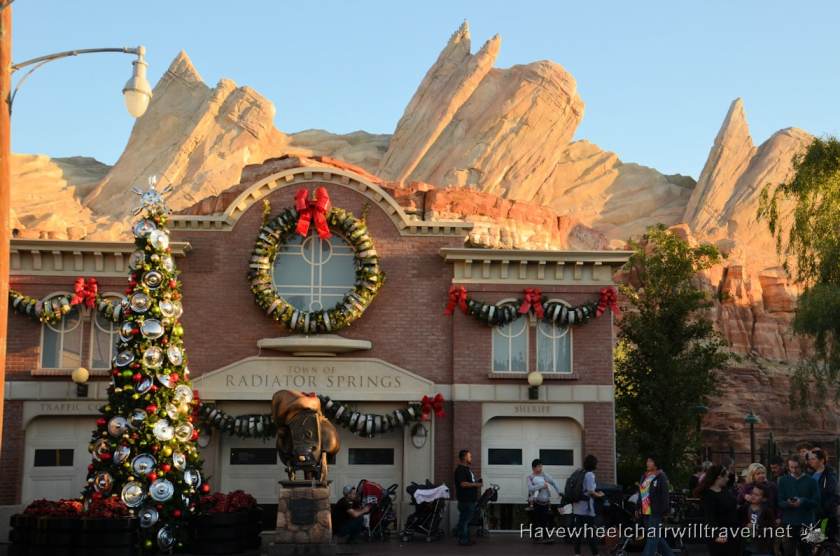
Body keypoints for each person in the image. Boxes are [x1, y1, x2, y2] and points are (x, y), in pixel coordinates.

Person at [778, 455, 820, 556]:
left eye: (796, 467)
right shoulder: (783, 480)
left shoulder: (812, 481)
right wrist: (788, 503)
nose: (793, 470)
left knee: (807, 552)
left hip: (807, 522)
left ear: (802, 466)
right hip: (788, 522)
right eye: (791, 467)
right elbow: (779, 501)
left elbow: (817, 502)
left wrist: (803, 501)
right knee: (788, 552)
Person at [695, 464, 741, 556]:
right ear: (719, 477)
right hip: (720, 533)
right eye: (726, 476)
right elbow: (710, 517)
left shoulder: (724, 490)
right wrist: (717, 533)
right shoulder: (708, 495)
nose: (727, 479)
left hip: (733, 532)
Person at [637, 456, 675, 556]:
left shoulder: (660, 476)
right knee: (656, 537)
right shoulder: (644, 476)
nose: (647, 463)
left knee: (652, 537)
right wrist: (638, 507)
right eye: (647, 461)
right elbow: (641, 493)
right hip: (645, 511)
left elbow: (665, 495)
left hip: (655, 511)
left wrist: (664, 510)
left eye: (650, 461)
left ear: (656, 463)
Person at [571, 454, 605, 556]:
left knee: (578, 533)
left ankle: (577, 553)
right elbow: (590, 491)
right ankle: (595, 554)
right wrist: (600, 495)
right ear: (593, 464)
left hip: (577, 507)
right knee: (590, 533)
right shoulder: (590, 475)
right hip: (586, 509)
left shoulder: (579, 472)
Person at [526, 458, 562, 543]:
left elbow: (553, 482)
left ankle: (545, 537)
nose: (541, 468)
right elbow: (531, 488)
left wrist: (559, 491)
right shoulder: (530, 477)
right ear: (533, 468)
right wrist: (542, 485)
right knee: (536, 520)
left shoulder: (544, 475)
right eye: (539, 467)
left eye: (541, 466)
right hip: (535, 502)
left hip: (545, 502)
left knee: (545, 520)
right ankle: (536, 537)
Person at [454, 449, 483, 546]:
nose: (471, 458)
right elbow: (463, 484)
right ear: (464, 457)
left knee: (465, 520)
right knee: (465, 521)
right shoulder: (460, 470)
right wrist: (476, 484)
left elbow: (469, 482)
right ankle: (463, 540)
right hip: (465, 500)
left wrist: (477, 482)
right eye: (469, 456)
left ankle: (465, 538)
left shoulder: (467, 469)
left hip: (469, 500)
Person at [809, 448, 838, 541]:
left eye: (813, 459)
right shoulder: (812, 474)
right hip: (814, 515)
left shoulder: (829, 475)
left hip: (824, 515)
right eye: (810, 459)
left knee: (822, 540)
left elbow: (833, 495)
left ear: (821, 460)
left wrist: (824, 509)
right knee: (814, 541)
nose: (810, 461)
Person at [740, 484, 776, 556]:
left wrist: (756, 527)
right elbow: (739, 522)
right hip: (746, 547)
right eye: (752, 493)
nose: (753, 496)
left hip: (762, 548)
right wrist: (745, 526)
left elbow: (771, 529)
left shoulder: (767, 511)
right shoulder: (744, 508)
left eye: (757, 495)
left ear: (764, 499)